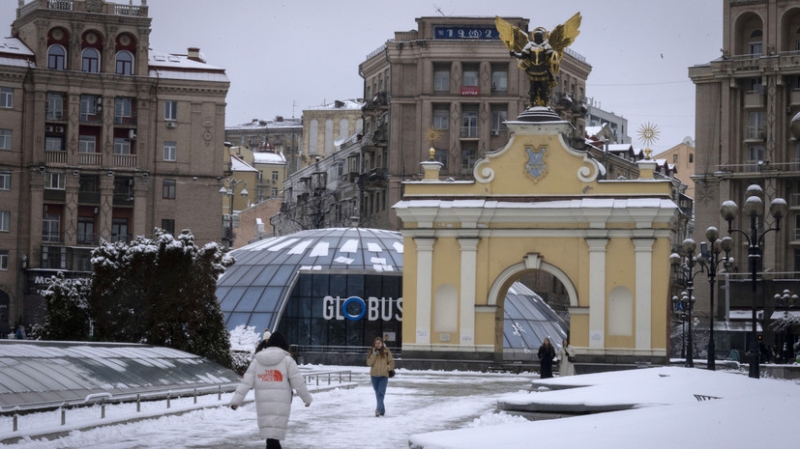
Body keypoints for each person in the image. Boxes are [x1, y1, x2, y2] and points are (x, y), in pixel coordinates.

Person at [230, 331, 311, 449]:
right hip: (282, 402)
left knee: (271, 436)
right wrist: (306, 399)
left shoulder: (257, 360)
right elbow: (298, 382)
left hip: (263, 403)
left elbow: (246, 382)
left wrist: (236, 401)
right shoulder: (288, 360)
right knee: (274, 437)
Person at [366, 336, 395, 417]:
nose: (377, 345)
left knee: (381, 393)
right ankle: (382, 410)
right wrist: (374, 354)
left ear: (382, 343)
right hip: (374, 375)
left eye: (379, 343)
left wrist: (386, 368)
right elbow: (369, 363)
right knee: (377, 393)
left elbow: (391, 363)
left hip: (383, 376)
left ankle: (378, 410)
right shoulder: (372, 352)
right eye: (376, 343)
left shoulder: (386, 351)